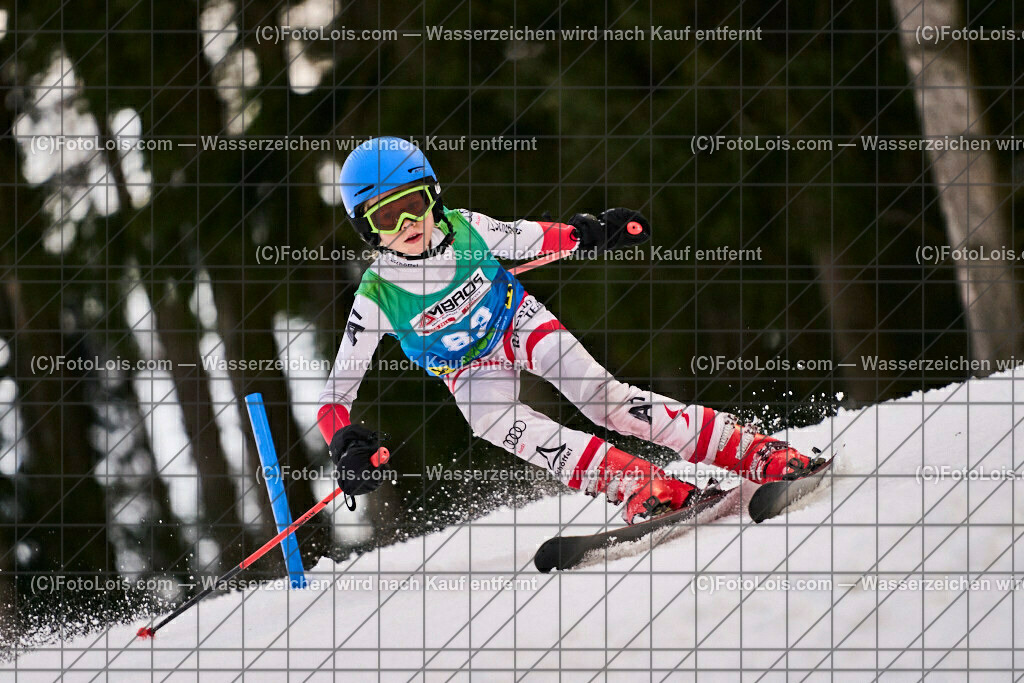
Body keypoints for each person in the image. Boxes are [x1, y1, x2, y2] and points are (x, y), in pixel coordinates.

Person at [317, 136, 824, 525]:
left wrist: (589, 231)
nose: (408, 221)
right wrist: (344, 445)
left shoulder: (467, 227)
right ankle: (638, 484)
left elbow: (527, 236)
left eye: (415, 203)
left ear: (434, 196)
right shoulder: (377, 298)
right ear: (368, 228)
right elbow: (336, 394)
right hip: (467, 370)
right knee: (490, 421)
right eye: (387, 214)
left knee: (604, 399)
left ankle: (752, 451)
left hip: (518, 324)